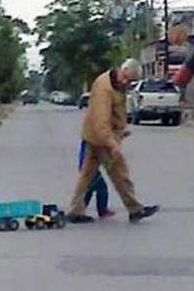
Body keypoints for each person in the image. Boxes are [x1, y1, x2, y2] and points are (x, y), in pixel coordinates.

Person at [66, 59, 159, 223]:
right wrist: (112, 143)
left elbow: (117, 110)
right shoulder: (104, 88)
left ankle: (75, 210)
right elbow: (100, 121)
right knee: (120, 172)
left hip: (94, 136)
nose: (126, 82)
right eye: (126, 78)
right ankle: (135, 209)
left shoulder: (117, 84)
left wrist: (122, 128)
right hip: (102, 138)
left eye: (130, 81)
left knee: (86, 175)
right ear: (121, 69)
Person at [78, 140, 115, 218]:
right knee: (102, 188)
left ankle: (79, 209)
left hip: (85, 166)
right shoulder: (93, 139)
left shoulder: (88, 138)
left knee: (89, 188)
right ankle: (102, 210)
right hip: (89, 168)